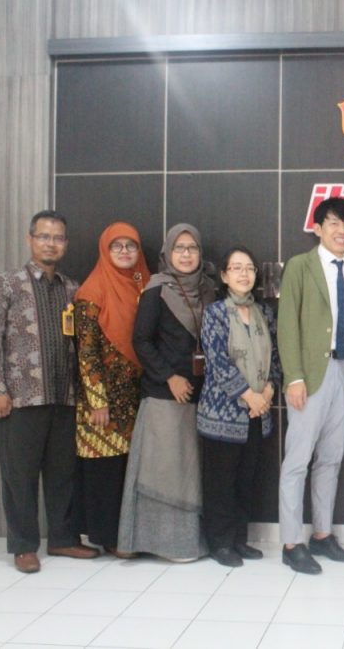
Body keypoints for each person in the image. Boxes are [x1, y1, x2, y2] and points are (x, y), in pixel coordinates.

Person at [0, 210, 99, 573]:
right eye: (44, 236)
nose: (51, 244)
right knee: (20, 476)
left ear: (66, 244)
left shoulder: (72, 288)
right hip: (21, 398)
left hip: (65, 397)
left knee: (63, 474)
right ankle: (23, 546)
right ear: (30, 239)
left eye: (58, 238)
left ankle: (62, 538)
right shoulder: (7, 284)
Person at [117, 224, 215, 562]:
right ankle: (159, 543)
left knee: (190, 474)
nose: (186, 255)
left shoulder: (209, 290)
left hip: (200, 395)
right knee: (164, 472)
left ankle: (187, 542)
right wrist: (169, 377)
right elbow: (141, 340)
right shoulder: (156, 290)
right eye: (179, 248)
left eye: (192, 248)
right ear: (167, 253)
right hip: (164, 394)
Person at [277, 197, 344, 575]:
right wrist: (294, 377)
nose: (342, 231)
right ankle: (290, 543)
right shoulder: (300, 266)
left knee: (331, 457)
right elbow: (287, 324)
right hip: (310, 375)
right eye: (334, 223)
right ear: (317, 228)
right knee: (297, 461)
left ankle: (322, 535)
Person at [197, 246, 281, 568]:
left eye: (249, 268)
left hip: (258, 414)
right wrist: (249, 396)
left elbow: (276, 357)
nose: (244, 274)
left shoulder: (265, 313)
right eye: (236, 268)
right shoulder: (215, 313)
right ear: (224, 275)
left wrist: (268, 391)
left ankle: (239, 540)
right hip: (223, 414)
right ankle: (219, 543)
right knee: (221, 483)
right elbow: (218, 362)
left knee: (246, 480)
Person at [72, 222, 149, 559]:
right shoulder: (92, 291)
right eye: (116, 245)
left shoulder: (143, 284)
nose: (124, 251)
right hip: (102, 402)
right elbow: (86, 351)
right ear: (105, 250)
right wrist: (97, 400)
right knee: (104, 471)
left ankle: (128, 534)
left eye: (131, 245)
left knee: (127, 470)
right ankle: (107, 537)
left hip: (134, 397)